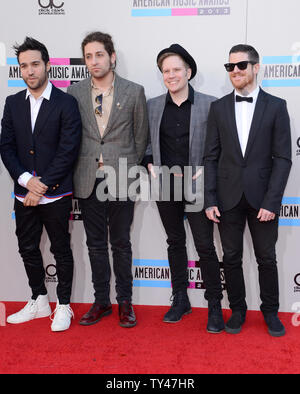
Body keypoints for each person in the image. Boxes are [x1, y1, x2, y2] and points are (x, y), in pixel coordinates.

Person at [204, 44, 292, 337]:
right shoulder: (218, 108)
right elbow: (210, 157)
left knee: (266, 257)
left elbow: (283, 158)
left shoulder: (277, 106)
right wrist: (210, 198)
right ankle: (238, 310)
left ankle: (270, 312)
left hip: (262, 199)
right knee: (230, 257)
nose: (236, 71)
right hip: (227, 198)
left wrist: (272, 201)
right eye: (230, 67)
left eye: (242, 65)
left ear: (256, 67)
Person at [0, 37, 82, 332]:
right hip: (24, 193)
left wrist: (42, 185)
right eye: (24, 66)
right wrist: (26, 181)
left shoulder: (67, 103)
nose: (30, 70)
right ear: (19, 70)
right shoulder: (12, 103)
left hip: (56, 193)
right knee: (26, 247)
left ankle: (63, 306)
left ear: (47, 66)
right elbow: (6, 147)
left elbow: (68, 150)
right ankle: (38, 299)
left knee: (61, 249)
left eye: (35, 64)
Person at [67, 32, 148, 328]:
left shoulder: (133, 91)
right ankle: (101, 301)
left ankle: (124, 302)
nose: (94, 61)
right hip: (88, 177)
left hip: (122, 176)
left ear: (112, 57)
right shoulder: (74, 92)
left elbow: (140, 140)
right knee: (95, 244)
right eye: (88, 57)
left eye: (99, 55)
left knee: (122, 243)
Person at [144, 44, 224, 333]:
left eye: (176, 69)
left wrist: (204, 170)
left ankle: (214, 304)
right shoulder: (152, 105)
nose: (171, 75)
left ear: (188, 72)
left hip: (199, 187)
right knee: (175, 242)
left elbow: (218, 147)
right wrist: (150, 164)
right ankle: (180, 298)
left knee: (205, 247)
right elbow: (146, 143)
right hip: (166, 187)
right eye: (166, 71)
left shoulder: (211, 104)